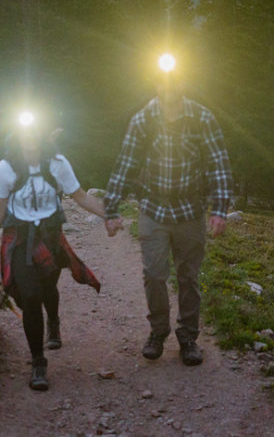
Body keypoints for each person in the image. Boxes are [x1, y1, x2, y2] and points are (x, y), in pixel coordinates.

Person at [102, 54, 234, 366]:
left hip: (190, 210)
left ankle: (187, 337)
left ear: (184, 84)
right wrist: (111, 209)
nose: (170, 87)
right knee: (154, 274)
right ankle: (158, 331)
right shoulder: (143, 120)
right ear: (157, 84)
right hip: (153, 209)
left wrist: (219, 210)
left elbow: (218, 164)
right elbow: (126, 164)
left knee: (188, 276)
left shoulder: (202, 118)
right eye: (164, 82)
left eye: (176, 81)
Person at [0, 117, 120, 391]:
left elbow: (81, 197)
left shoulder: (57, 164)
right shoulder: (6, 169)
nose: (30, 137)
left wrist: (109, 215)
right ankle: (38, 361)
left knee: (47, 289)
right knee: (29, 296)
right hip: (19, 239)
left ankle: (53, 322)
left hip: (50, 238)